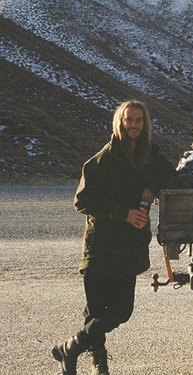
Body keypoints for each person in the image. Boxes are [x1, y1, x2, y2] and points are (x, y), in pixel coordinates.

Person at [53, 100, 175, 375]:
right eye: (128, 120)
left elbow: (169, 174)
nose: (133, 125)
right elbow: (82, 201)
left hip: (130, 246)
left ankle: (69, 348)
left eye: (138, 121)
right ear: (119, 122)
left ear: (144, 125)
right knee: (97, 310)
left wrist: (150, 190)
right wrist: (124, 214)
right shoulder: (104, 160)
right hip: (102, 246)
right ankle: (98, 363)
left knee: (121, 311)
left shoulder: (149, 154)